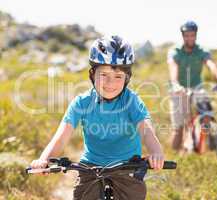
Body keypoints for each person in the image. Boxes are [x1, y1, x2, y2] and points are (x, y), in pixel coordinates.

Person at [30, 35, 164, 200]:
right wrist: (44, 160)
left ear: (127, 78)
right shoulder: (81, 102)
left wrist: (156, 152)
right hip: (91, 165)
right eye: (104, 75)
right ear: (92, 74)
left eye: (118, 77)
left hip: (127, 165)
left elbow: (146, 130)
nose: (110, 83)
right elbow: (62, 137)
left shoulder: (131, 101)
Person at [167, 21, 217, 151]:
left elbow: (211, 64)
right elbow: (173, 68)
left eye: (192, 35)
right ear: (183, 36)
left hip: (196, 87)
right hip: (178, 90)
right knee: (179, 128)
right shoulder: (175, 51)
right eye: (187, 35)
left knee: (207, 114)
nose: (190, 38)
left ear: (196, 35)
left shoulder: (201, 51)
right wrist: (176, 85)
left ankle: (211, 147)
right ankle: (173, 157)